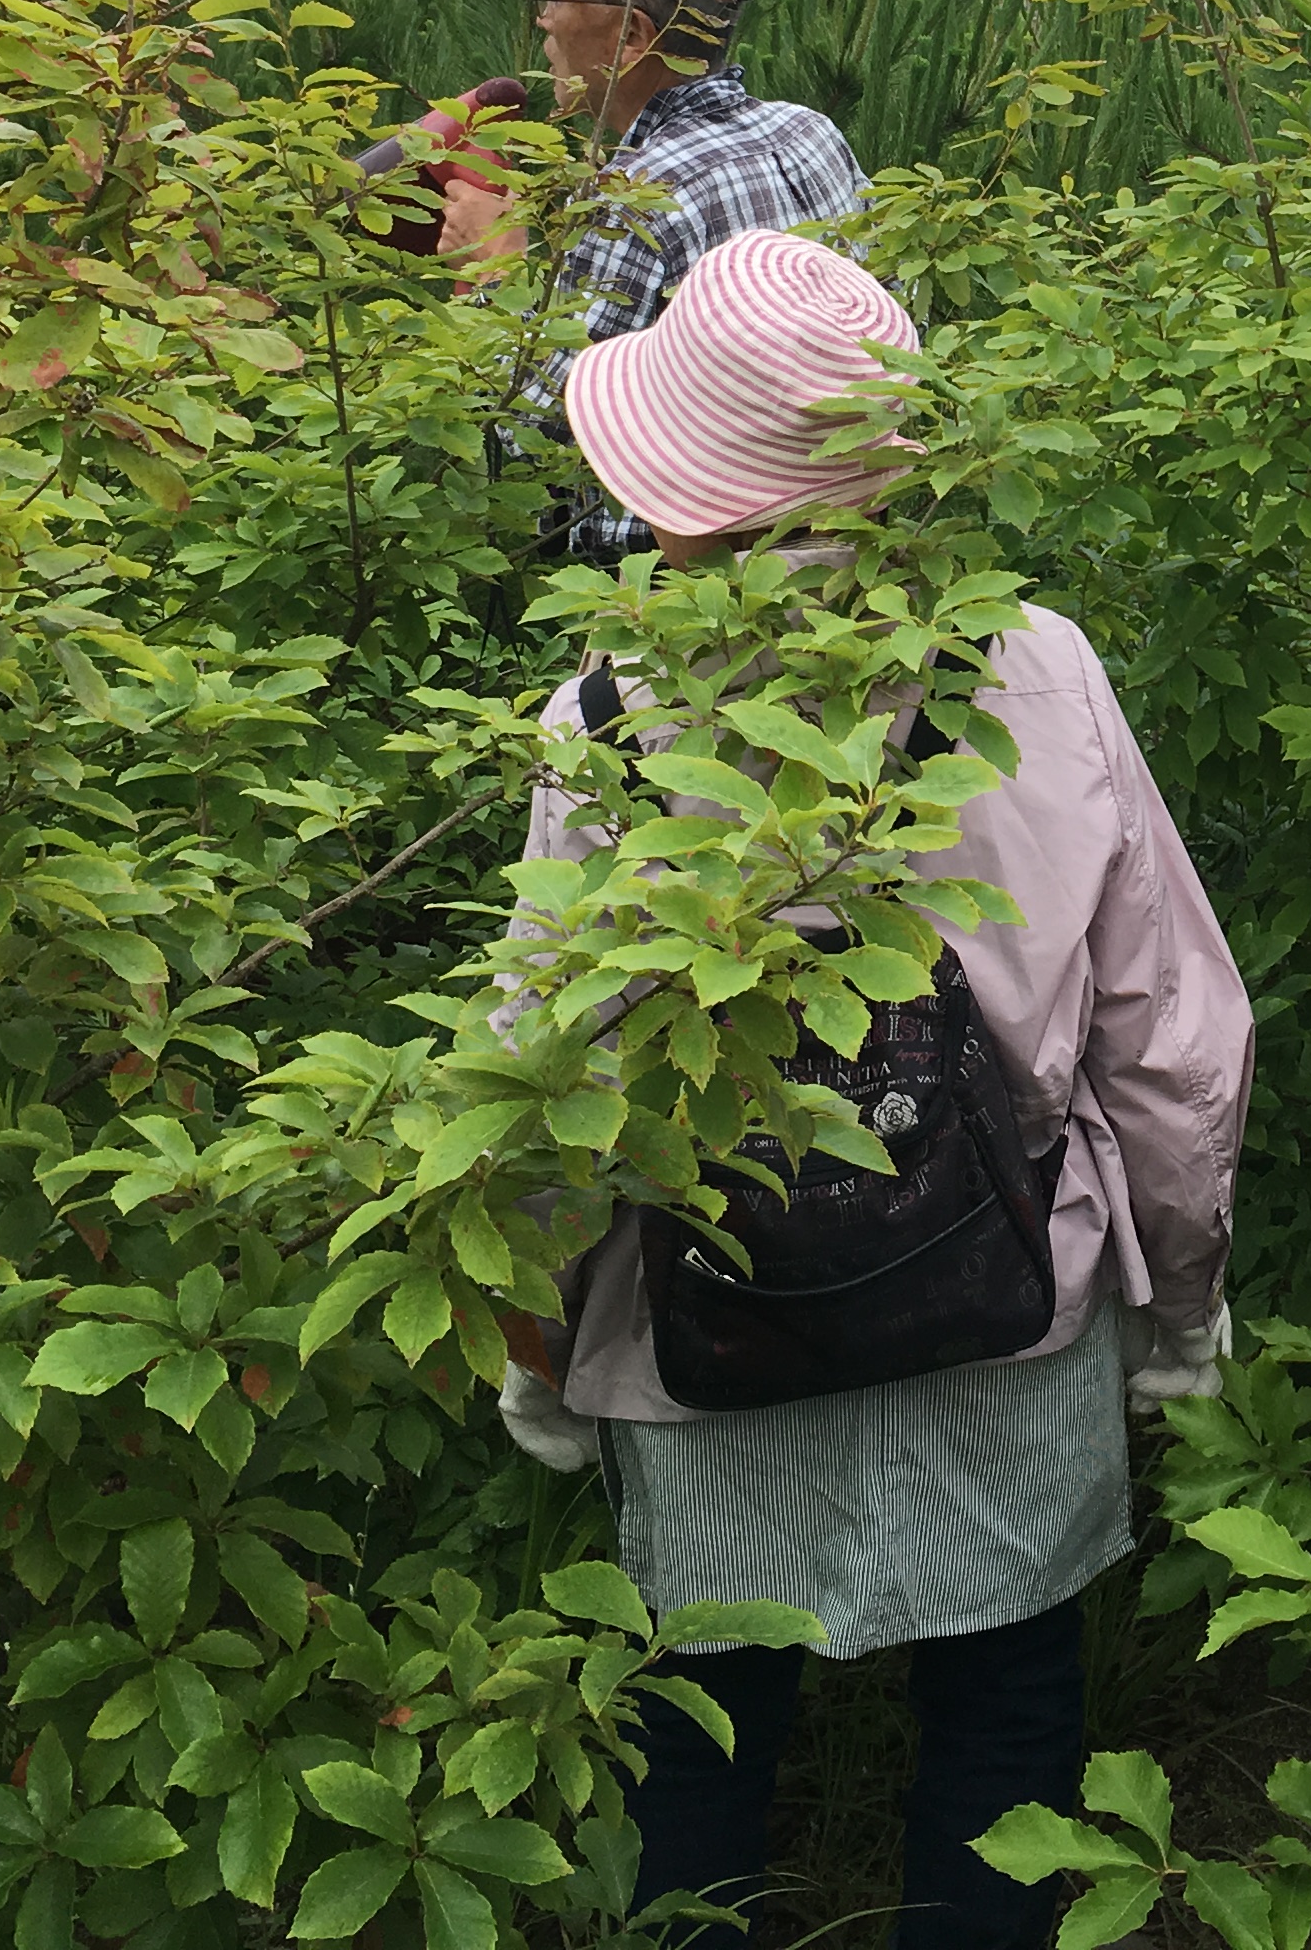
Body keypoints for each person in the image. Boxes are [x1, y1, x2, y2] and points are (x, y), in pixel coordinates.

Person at [494, 229, 1253, 1950]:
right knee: (1009, 1715)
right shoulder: (1032, 665)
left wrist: (537, 1348)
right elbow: (1173, 1035)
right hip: (1012, 1303)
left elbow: (542, 1076)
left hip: (707, 1339)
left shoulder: (606, 715)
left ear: (681, 477)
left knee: (696, 1738)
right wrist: (1179, 1305)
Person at [460, 0, 870, 560]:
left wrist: (491, 270)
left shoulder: (634, 196)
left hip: (668, 612)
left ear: (631, 38)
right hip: (843, 566)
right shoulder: (812, 133)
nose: (543, 17)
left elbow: (532, 439)